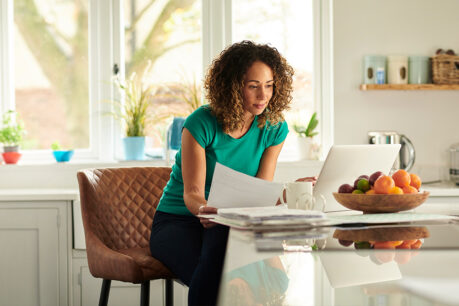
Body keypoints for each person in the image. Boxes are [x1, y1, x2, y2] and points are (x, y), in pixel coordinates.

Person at [149, 40, 295, 306]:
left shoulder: (274, 128)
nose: (263, 96)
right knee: (226, 275)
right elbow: (192, 193)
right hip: (179, 221)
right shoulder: (201, 123)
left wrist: (292, 192)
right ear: (232, 86)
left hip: (232, 223)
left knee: (262, 276)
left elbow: (259, 192)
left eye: (269, 85)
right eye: (253, 86)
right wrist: (208, 210)